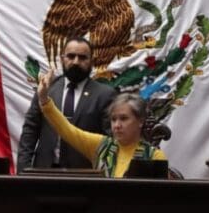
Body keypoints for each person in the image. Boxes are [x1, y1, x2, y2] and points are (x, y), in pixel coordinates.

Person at [34, 70, 166, 177]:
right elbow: (68, 130)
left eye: (124, 118)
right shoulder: (101, 146)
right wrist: (44, 100)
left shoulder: (154, 156)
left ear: (140, 121)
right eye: (113, 119)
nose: (117, 125)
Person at [17, 37, 116, 171]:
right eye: (71, 56)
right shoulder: (46, 89)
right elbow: (30, 131)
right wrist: (23, 170)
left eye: (82, 57)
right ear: (62, 59)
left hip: (86, 174)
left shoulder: (105, 95)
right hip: (44, 171)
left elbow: (111, 141)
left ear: (92, 61)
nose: (76, 62)